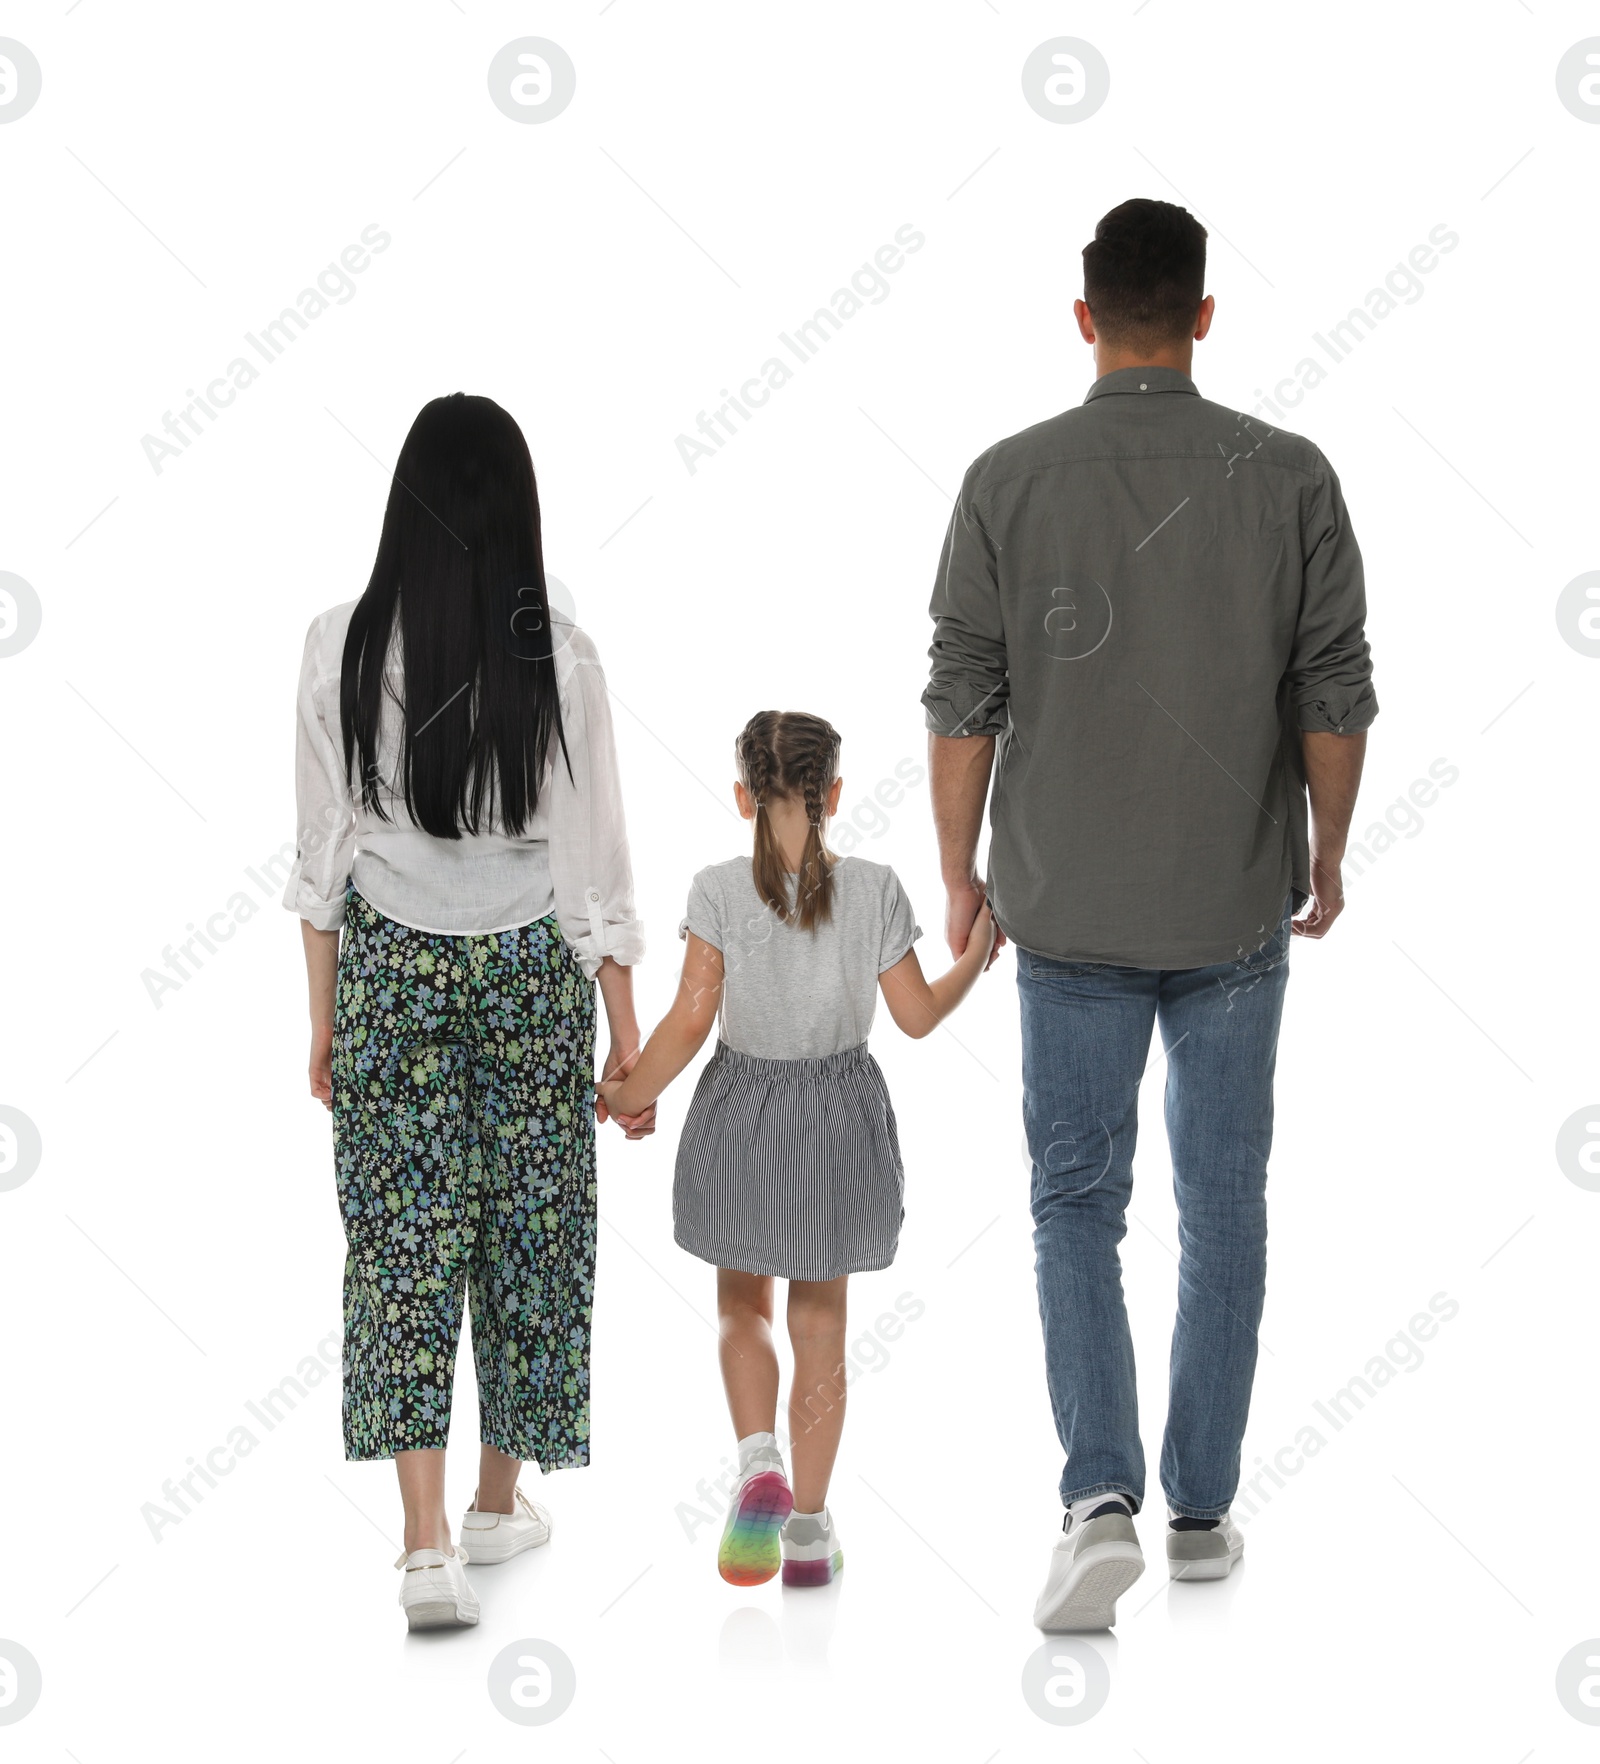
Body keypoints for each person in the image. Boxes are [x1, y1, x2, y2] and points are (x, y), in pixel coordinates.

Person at [923, 198, 1377, 1630]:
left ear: (1083, 320)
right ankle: (1198, 1512)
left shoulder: (1006, 479)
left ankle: (1096, 1497)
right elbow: (1336, 692)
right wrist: (1331, 851)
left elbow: (961, 699)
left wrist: (959, 875)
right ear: (1201, 314)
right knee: (1222, 1203)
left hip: (1064, 907)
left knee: (1076, 1205)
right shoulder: (1291, 474)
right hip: (1235, 898)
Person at [286, 393, 652, 1631]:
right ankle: (501, 1502)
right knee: (531, 1232)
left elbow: (321, 858)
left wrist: (325, 1021)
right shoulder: (568, 655)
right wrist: (628, 1037)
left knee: (398, 1244)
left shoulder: (338, 644)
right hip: (531, 975)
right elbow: (593, 867)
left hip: (391, 965)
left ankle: (423, 1543)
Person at [597, 711, 995, 1588]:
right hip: (839, 1122)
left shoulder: (717, 891)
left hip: (743, 1114)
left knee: (744, 1307)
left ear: (741, 796)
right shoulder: (879, 888)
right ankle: (809, 1533)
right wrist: (978, 956)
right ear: (836, 795)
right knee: (823, 1328)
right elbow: (918, 1016)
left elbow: (691, 1020)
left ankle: (756, 1461)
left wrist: (625, 1092)